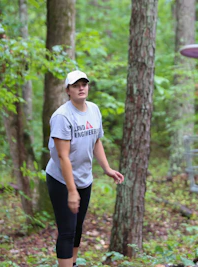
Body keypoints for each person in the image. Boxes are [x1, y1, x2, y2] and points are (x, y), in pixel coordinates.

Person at [45, 70, 124, 267]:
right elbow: (63, 156)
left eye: (84, 84)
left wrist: (106, 168)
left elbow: (96, 140)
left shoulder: (94, 110)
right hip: (61, 179)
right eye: (76, 85)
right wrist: (72, 191)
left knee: (78, 227)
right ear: (68, 90)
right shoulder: (62, 116)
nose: (81, 88)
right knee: (67, 230)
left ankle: (72, 264)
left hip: (84, 177)